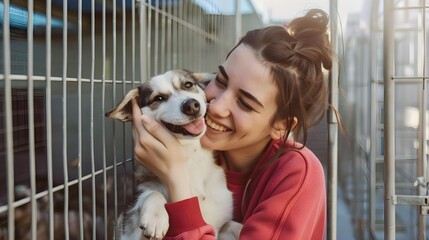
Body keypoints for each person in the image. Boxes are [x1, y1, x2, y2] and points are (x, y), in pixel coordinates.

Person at [131, 8, 335, 240]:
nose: (216, 107)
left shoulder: (296, 175)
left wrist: (177, 179)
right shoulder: (196, 145)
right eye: (220, 80)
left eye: (245, 103)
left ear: (281, 125)